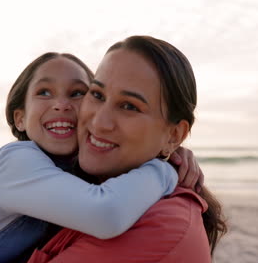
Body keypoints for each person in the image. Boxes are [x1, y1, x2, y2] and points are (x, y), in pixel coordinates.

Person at [0, 51, 203, 263]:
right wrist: (162, 169)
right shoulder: (16, 161)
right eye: (44, 92)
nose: (61, 105)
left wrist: (167, 147)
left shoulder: (71, 170)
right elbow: (105, 213)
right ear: (20, 118)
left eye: (78, 93)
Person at [25, 35, 227, 262]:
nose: (100, 122)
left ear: (174, 134)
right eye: (97, 95)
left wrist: (164, 168)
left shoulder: (162, 226)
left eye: (129, 106)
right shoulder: (74, 183)